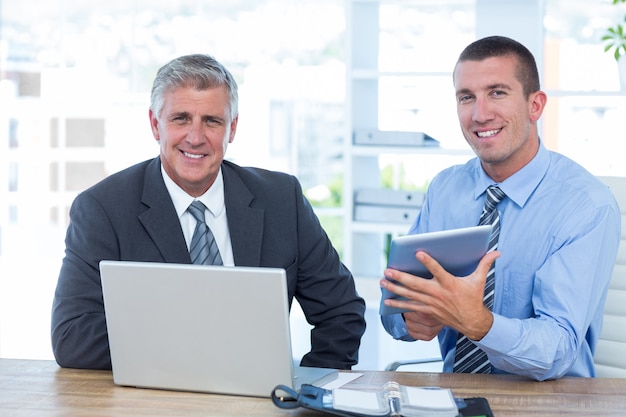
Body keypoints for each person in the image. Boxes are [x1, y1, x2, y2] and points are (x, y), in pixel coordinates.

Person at [51, 54, 366, 370]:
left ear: (232, 128)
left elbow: (341, 312)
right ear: (155, 124)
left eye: (212, 121)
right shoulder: (103, 209)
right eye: (181, 118)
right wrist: (193, 350)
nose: (196, 137)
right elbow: (73, 337)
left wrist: (307, 391)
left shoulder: (282, 200)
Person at [380, 36, 621, 381]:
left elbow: (558, 349)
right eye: (467, 97)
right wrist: (410, 318)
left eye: (497, 93)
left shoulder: (585, 205)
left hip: (550, 402)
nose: (480, 114)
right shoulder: (445, 189)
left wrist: (479, 324)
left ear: (535, 105)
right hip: (455, 398)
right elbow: (392, 304)